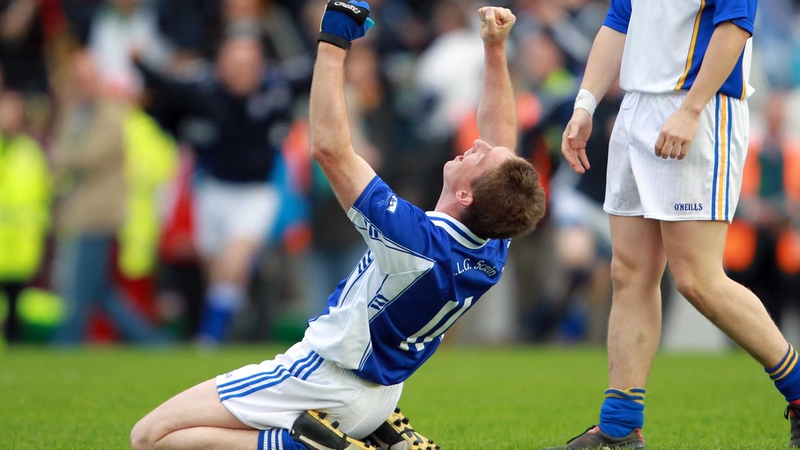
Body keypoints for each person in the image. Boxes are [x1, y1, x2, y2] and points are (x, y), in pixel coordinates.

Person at [130, 3, 545, 450]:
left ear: (467, 196)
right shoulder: (492, 243)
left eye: (481, 156)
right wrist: (495, 50)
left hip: (322, 380)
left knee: (151, 438)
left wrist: (332, 44)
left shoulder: (417, 242)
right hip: (379, 397)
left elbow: (330, 148)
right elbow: (503, 143)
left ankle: (309, 445)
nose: (479, 144)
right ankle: (352, 435)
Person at [548, 0, 800, 448]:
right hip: (636, 108)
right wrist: (584, 104)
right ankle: (620, 427)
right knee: (629, 273)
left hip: (700, 110)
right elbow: (619, 22)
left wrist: (692, 108)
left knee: (698, 280)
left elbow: (736, 26)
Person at [136, 32, 294, 345]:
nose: (242, 71)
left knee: (234, 261)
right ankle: (231, 313)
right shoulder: (201, 93)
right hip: (211, 191)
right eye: (235, 63)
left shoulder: (276, 92)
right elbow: (165, 93)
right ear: (220, 64)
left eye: (250, 64)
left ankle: (209, 338)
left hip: (255, 193)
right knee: (218, 273)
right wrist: (140, 62)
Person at [0, 90, 50, 344]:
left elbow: (43, 191)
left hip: (20, 240)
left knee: (17, 301)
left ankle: (16, 344)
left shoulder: (30, 150)